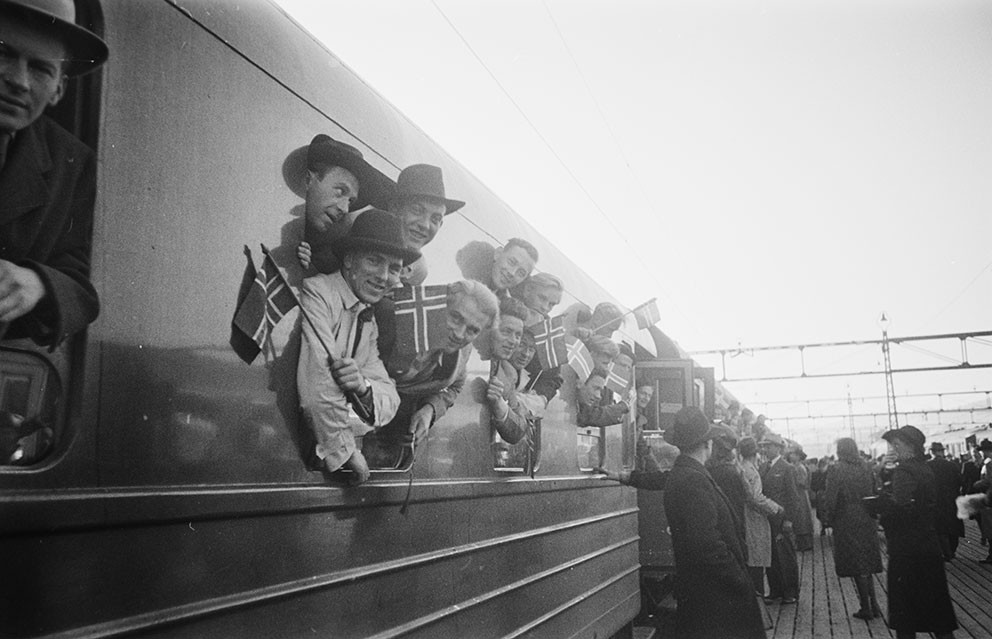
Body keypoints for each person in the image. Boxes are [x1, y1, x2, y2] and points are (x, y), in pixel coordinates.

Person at [0, 0, 108, 347]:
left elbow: (80, 280)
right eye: (3, 54)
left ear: (59, 89)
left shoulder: (71, 162)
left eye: (41, 69)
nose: (18, 81)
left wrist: (37, 283)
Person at [296, 209, 418, 485]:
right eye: (374, 261)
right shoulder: (319, 292)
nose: (384, 276)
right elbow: (318, 385)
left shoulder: (366, 319)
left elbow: (391, 399)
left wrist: (362, 387)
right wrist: (345, 451)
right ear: (349, 260)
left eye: (394, 268)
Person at [366, 280, 498, 464]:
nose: (460, 334)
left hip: (388, 435)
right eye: (455, 317)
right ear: (437, 306)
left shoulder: (462, 352)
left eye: (473, 330)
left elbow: (455, 386)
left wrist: (430, 409)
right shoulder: (391, 318)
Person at [663, 407, 766, 639]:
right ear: (707, 444)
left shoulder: (687, 474)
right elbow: (706, 544)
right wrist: (738, 578)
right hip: (714, 594)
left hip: (703, 592)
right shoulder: (693, 480)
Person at [873, 425, 957, 638]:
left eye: (896, 444)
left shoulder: (904, 470)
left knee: (905, 617)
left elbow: (900, 506)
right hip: (928, 547)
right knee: (939, 615)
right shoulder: (925, 468)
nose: (893, 448)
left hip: (906, 550)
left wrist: (880, 508)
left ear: (910, 446)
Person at [821, 438, 883, 620]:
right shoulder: (866, 466)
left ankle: (866, 607)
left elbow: (831, 498)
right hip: (867, 515)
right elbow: (874, 489)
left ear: (840, 450)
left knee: (856, 563)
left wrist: (829, 518)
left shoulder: (836, 469)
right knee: (867, 563)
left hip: (847, 518)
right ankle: (874, 605)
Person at [759, 432, 801, 604]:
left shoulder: (787, 468)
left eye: (768, 446)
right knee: (771, 556)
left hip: (781, 519)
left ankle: (790, 592)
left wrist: (789, 520)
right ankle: (775, 590)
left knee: (786, 556)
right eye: (764, 446)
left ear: (778, 448)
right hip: (767, 519)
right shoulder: (763, 468)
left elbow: (793, 497)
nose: (765, 449)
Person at [739, 436, 783, 598]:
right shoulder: (751, 471)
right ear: (755, 452)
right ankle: (759, 599)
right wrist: (775, 508)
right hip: (754, 518)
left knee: (754, 557)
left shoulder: (742, 467)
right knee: (756, 558)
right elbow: (755, 497)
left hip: (748, 517)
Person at [455, 237, 538, 298]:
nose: (512, 273)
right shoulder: (458, 276)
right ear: (498, 254)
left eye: (521, 273)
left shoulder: (505, 309)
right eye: (511, 262)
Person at [928, 442, 965, 561]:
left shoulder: (928, 466)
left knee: (940, 527)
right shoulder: (952, 465)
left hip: (936, 500)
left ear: (932, 452)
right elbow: (960, 481)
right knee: (953, 526)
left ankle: (946, 552)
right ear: (942, 452)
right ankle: (952, 551)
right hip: (952, 500)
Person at [788, 446, 815, 551]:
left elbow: (803, 482)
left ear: (798, 456)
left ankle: (805, 544)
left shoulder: (799, 468)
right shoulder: (797, 466)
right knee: (801, 518)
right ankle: (803, 543)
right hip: (800, 495)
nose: (790, 455)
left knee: (802, 518)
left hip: (801, 495)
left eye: (793, 454)